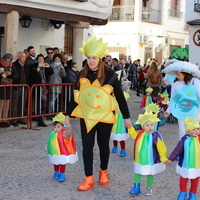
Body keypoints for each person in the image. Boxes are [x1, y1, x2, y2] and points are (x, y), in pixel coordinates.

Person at [64, 37, 132, 191]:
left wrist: (126, 117)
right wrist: (67, 116)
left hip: (105, 116)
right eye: (89, 58)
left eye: (94, 58)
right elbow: (75, 97)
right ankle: (88, 178)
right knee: (87, 146)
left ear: (99, 58)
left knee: (103, 145)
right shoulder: (82, 74)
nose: (91, 61)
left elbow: (120, 97)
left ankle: (104, 171)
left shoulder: (110, 74)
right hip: (87, 117)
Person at [128, 111, 168, 196]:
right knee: (137, 172)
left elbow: (161, 147)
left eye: (152, 125)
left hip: (151, 158)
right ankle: (136, 187)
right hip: (139, 158)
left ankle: (149, 188)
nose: (150, 127)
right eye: (147, 125)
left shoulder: (156, 135)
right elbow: (133, 136)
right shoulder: (140, 134)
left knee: (150, 173)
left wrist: (163, 157)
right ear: (143, 126)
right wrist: (130, 128)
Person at [163, 61, 200, 140]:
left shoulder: (196, 82)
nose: (177, 76)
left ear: (185, 74)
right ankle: (182, 149)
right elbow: (173, 99)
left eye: (179, 74)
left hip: (195, 111)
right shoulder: (175, 84)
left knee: (194, 131)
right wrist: (168, 111)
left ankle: (194, 150)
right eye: (176, 74)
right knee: (182, 132)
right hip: (181, 111)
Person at [165, 117, 200, 200]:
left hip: (197, 164)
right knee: (183, 178)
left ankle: (193, 193)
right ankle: (183, 192)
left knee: (195, 179)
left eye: (198, 129)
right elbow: (177, 150)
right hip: (185, 163)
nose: (196, 131)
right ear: (188, 131)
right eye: (193, 129)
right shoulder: (184, 140)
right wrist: (171, 159)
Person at [46, 112, 78, 182]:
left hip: (62, 151)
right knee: (55, 162)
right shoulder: (52, 134)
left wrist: (66, 125)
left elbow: (69, 128)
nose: (56, 129)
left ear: (63, 126)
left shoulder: (65, 133)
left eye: (58, 127)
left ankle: (62, 173)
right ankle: (56, 172)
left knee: (62, 162)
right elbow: (49, 141)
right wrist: (47, 146)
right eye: (55, 127)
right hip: (54, 151)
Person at [30, 54, 54, 127]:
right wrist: (37, 70)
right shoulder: (34, 66)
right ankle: (40, 119)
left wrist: (49, 67)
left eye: (42, 58)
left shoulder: (45, 66)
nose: (40, 60)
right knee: (38, 103)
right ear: (37, 60)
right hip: (37, 87)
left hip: (44, 88)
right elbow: (32, 76)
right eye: (39, 58)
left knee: (44, 103)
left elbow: (51, 73)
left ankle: (36, 115)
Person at [10, 51, 31, 127]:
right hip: (16, 86)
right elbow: (11, 75)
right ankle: (13, 119)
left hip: (24, 86)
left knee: (22, 103)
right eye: (22, 57)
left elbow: (28, 76)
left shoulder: (26, 65)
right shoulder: (14, 65)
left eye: (25, 57)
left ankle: (21, 118)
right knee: (15, 104)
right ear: (18, 57)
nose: (24, 59)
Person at [0, 53, 18, 128]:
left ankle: (5, 120)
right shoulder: (0, 65)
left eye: (9, 61)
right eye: (6, 61)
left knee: (6, 105)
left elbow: (17, 75)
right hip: (1, 87)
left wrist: (10, 76)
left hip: (8, 87)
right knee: (1, 105)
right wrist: (1, 74)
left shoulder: (12, 66)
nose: (7, 63)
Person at [111, 92, 130, 157]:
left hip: (121, 124)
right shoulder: (114, 106)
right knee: (114, 136)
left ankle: (123, 149)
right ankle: (115, 146)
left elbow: (127, 116)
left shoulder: (124, 109)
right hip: (115, 122)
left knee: (121, 137)